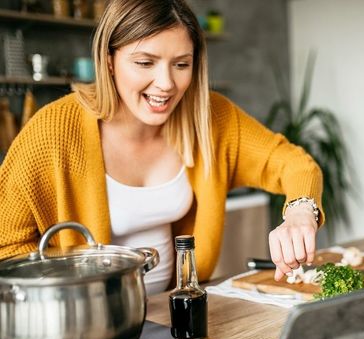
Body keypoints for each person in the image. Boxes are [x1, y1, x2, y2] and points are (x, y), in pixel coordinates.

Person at [0, 0, 323, 294]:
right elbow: (6, 249)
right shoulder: (53, 130)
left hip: (174, 315)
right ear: (109, 60)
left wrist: (300, 211)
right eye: (145, 62)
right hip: (84, 327)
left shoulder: (210, 116)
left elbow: (293, 164)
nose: (166, 83)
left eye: (181, 64)